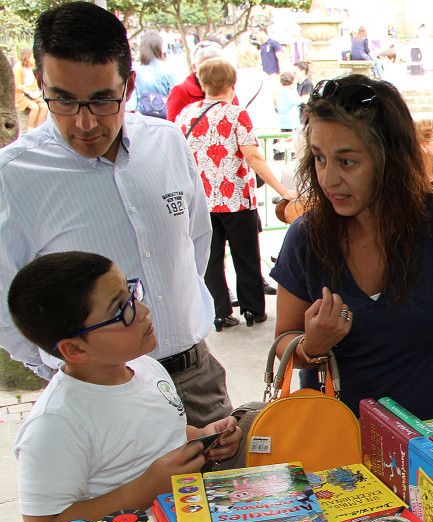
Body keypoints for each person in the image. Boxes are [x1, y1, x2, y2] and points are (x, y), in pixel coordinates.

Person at [0, 1, 232, 427]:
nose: (84, 123)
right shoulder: (13, 178)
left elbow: (195, 245)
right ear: (40, 83)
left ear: (128, 85)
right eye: (63, 100)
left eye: (102, 100)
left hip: (194, 379)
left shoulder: (166, 143)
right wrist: (64, 369)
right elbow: (5, 303)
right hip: (98, 400)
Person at [270, 75, 433, 420]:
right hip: (337, 447)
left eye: (346, 161)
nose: (328, 179)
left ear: (388, 159)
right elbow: (285, 341)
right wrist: (311, 345)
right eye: (319, 158)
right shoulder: (306, 237)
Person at [9, 251, 242, 522]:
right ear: (76, 349)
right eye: (122, 309)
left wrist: (204, 437)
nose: (143, 311)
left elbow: (164, 433)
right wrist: (147, 489)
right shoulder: (56, 425)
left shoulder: (146, 368)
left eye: (132, 294)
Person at [179, 58, 295, 331]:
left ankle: (218, 313)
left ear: (202, 83)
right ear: (232, 83)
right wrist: (282, 190)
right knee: (246, 257)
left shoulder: (185, 115)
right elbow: (253, 157)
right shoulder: (236, 114)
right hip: (236, 199)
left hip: (201, 202)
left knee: (211, 260)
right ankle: (253, 309)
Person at [166, 42, 225, 122]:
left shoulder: (228, 90)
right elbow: (172, 129)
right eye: (205, 69)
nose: (211, 73)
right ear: (194, 67)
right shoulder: (180, 92)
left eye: (216, 69)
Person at [132, 32, 175, 119]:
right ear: (159, 47)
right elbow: (174, 93)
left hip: (142, 114)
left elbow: (133, 97)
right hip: (164, 114)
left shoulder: (136, 69)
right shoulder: (168, 69)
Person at [13, 48, 48, 130]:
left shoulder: (31, 67)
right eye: (32, 57)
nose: (33, 59)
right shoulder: (18, 68)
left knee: (45, 106)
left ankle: (39, 127)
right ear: (26, 57)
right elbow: (18, 85)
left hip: (33, 94)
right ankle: (30, 128)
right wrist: (29, 92)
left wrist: (37, 93)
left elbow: (34, 83)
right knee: (35, 108)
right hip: (21, 95)